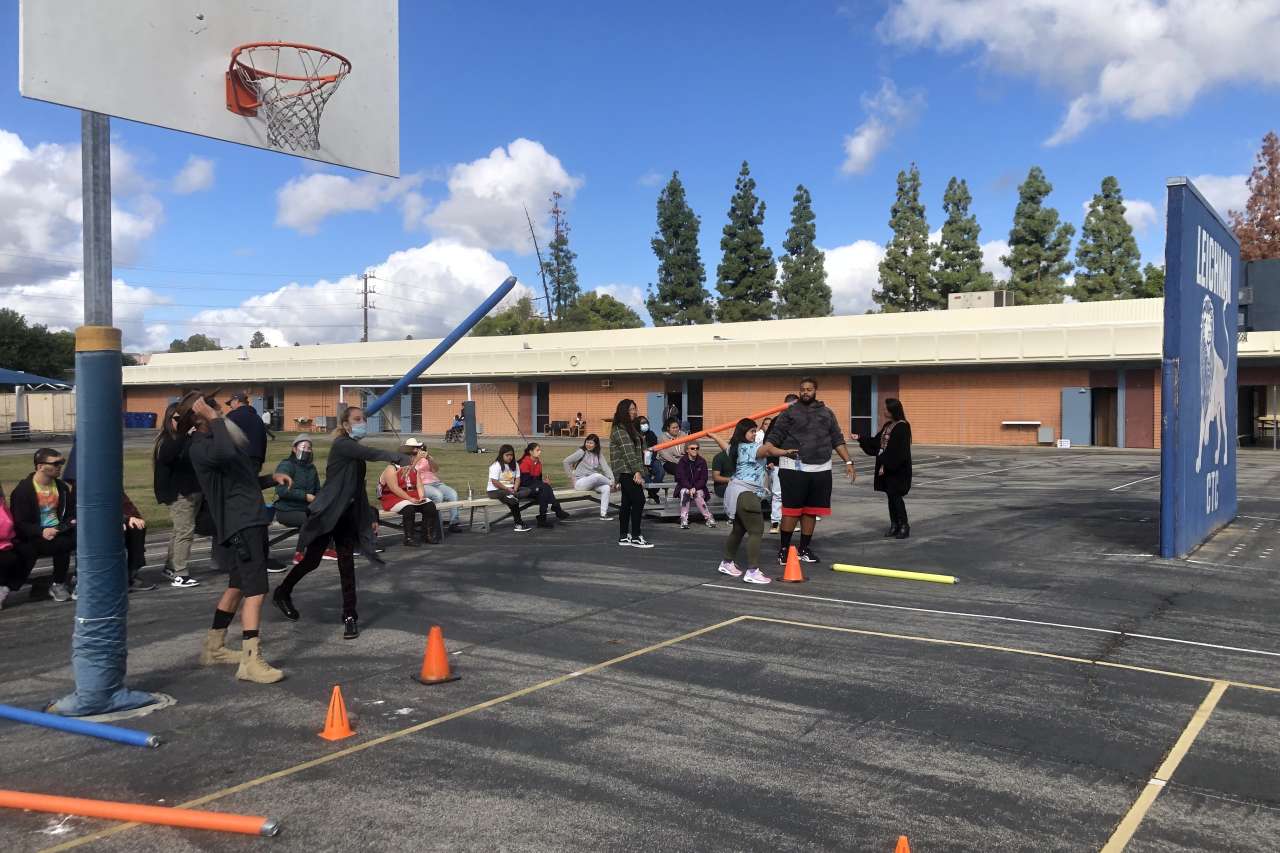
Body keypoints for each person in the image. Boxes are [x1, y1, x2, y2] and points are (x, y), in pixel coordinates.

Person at [273, 406, 417, 639]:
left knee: (346, 564)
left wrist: (369, 514)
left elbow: (356, 488)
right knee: (311, 561)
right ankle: (282, 592)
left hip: (347, 514)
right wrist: (398, 457)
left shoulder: (354, 452)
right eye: (357, 419)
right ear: (347, 424)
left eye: (364, 419)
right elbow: (370, 453)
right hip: (328, 512)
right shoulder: (343, 445)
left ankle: (350, 615)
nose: (363, 423)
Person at [184, 393, 292, 683]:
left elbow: (240, 479)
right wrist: (213, 417)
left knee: (237, 585)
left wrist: (271, 479)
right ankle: (250, 662)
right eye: (218, 410)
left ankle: (214, 647)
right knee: (257, 590)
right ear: (201, 418)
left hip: (248, 518)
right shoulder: (202, 447)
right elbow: (225, 455)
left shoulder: (220, 442)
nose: (224, 414)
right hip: (242, 523)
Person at [763, 377, 856, 565]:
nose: (805, 392)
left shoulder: (826, 413)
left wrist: (848, 462)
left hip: (821, 469)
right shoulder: (789, 413)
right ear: (799, 391)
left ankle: (804, 549)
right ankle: (784, 550)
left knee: (811, 512)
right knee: (791, 512)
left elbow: (837, 439)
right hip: (793, 470)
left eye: (809, 389)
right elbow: (774, 437)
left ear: (816, 391)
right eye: (802, 389)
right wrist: (770, 450)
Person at [707, 419, 794, 585]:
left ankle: (726, 563)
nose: (755, 434)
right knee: (756, 530)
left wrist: (714, 436)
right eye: (752, 431)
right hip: (747, 493)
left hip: (737, 491)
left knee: (738, 530)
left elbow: (725, 447)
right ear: (743, 433)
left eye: (755, 431)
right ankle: (753, 571)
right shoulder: (750, 448)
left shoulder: (736, 447)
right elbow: (768, 450)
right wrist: (786, 452)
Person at [10, 448, 76, 603]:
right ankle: (53, 584)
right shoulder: (23, 491)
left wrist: (63, 527)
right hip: (34, 536)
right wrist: (41, 531)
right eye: (55, 463)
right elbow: (20, 523)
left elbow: (71, 514)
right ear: (40, 467)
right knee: (32, 549)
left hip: (60, 531)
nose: (60, 466)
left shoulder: (62, 488)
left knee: (77, 539)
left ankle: (66, 582)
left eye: (62, 462)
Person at [153, 402, 202, 588]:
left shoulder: (185, 439)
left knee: (179, 531)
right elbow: (167, 457)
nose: (182, 422)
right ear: (169, 420)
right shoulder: (167, 440)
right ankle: (180, 573)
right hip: (179, 493)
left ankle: (171, 566)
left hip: (192, 491)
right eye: (177, 419)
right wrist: (184, 433)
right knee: (185, 532)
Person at [854, 397, 913, 539]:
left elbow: (900, 450)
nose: (884, 411)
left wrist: (886, 461)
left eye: (886, 409)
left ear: (893, 410)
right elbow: (876, 442)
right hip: (885, 467)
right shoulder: (888, 425)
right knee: (890, 497)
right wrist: (861, 438)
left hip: (897, 468)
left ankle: (904, 525)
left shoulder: (902, 426)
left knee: (896, 496)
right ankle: (894, 525)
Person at [608, 399, 653, 548]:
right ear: (624, 411)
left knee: (627, 503)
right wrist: (638, 472)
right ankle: (636, 536)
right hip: (627, 471)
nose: (635, 412)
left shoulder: (631, 428)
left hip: (630, 470)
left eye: (635, 409)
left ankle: (623, 536)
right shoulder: (620, 430)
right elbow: (628, 453)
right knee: (639, 500)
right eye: (632, 409)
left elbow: (639, 449)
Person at [377, 439, 438, 546]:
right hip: (393, 497)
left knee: (430, 506)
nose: (413, 458)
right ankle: (409, 538)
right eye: (412, 456)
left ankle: (427, 535)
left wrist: (421, 496)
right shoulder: (391, 469)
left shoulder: (413, 468)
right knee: (409, 509)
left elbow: (419, 484)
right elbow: (394, 488)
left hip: (410, 496)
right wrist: (410, 499)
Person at [411, 442, 464, 534]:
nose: (420, 450)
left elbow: (435, 469)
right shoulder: (407, 459)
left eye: (420, 448)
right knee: (438, 495)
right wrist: (417, 459)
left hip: (436, 482)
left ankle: (454, 523)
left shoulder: (426, 458)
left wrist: (429, 459)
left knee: (453, 494)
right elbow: (410, 471)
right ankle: (436, 524)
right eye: (417, 448)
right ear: (412, 449)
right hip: (422, 485)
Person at [517, 443, 570, 528]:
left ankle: (542, 519)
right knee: (545, 487)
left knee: (544, 490)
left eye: (540, 450)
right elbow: (526, 482)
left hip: (536, 488)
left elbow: (537, 480)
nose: (540, 452)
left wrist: (543, 482)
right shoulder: (524, 462)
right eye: (537, 450)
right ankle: (556, 508)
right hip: (525, 489)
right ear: (530, 452)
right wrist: (542, 484)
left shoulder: (538, 463)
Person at [563, 434, 614, 520]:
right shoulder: (581, 452)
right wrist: (571, 477)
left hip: (592, 483)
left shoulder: (598, 454)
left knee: (606, 488)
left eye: (591, 443)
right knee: (597, 476)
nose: (588, 445)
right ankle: (612, 483)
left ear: (596, 445)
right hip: (580, 482)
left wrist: (612, 478)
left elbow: (606, 468)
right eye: (587, 442)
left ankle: (603, 514)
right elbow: (566, 462)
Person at [0, 485, 33, 609]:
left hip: (6, 543)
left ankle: (5, 588)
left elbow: (8, 524)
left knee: (28, 551)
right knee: (8, 558)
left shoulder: (2, 504)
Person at [487, 445, 532, 533]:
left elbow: (518, 478)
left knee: (528, 490)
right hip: (495, 490)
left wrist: (514, 489)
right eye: (507, 455)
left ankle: (513, 495)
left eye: (511, 455)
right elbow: (494, 482)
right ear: (502, 455)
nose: (509, 457)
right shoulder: (496, 465)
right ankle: (518, 524)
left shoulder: (515, 464)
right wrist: (507, 489)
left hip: (510, 490)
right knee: (513, 501)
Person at [675, 441, 715, 529]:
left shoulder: (702, 461)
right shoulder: (682, 461)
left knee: (698, 494)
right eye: (692, 448)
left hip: (699, 488)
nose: (695, 450)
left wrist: (695, 488)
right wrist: (690, 488)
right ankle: (684, 519)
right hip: (685, 487)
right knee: (684, 492)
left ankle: (709, 518)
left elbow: (704, 479)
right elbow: (681, 477)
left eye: (697, 448)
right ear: (687, 450)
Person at [225, 392, 269, 472]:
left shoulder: (232, 416)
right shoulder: (257, 418)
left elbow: (224, 438)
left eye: (231, 403)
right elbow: (263, 440)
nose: (230, 407)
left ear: (237, 401)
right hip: (256, 460)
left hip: (238, 460)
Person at [122, 491, 153, 592]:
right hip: (89, 522)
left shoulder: (112, 484)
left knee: (137, 526)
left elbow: (126, 504)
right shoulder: (83, 486)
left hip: (115, 518)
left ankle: (132, 574)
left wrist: (133, 517)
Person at [759, 416, 784, 534]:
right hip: (778, 463)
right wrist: (770, 460)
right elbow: (768, 443)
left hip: (796, 463)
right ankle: (776, 521)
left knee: (793, 494)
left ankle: (790, 519)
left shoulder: (801, 418)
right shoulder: (778, 420)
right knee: (777, 493)